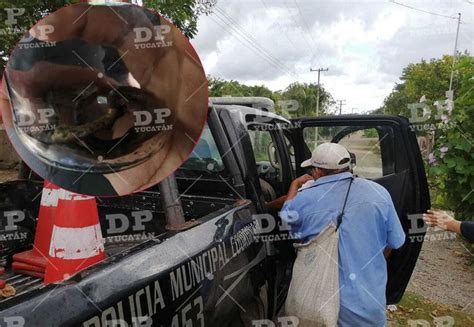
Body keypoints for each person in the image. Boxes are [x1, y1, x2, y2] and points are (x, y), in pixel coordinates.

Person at [279, 142, 406, 327]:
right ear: (348, 167)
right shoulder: (380, 193)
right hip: (367, 306)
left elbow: (285, 218)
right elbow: (393, 242)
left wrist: (294, 185)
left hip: (317, 306)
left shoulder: (306, 198)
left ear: (318, 172)